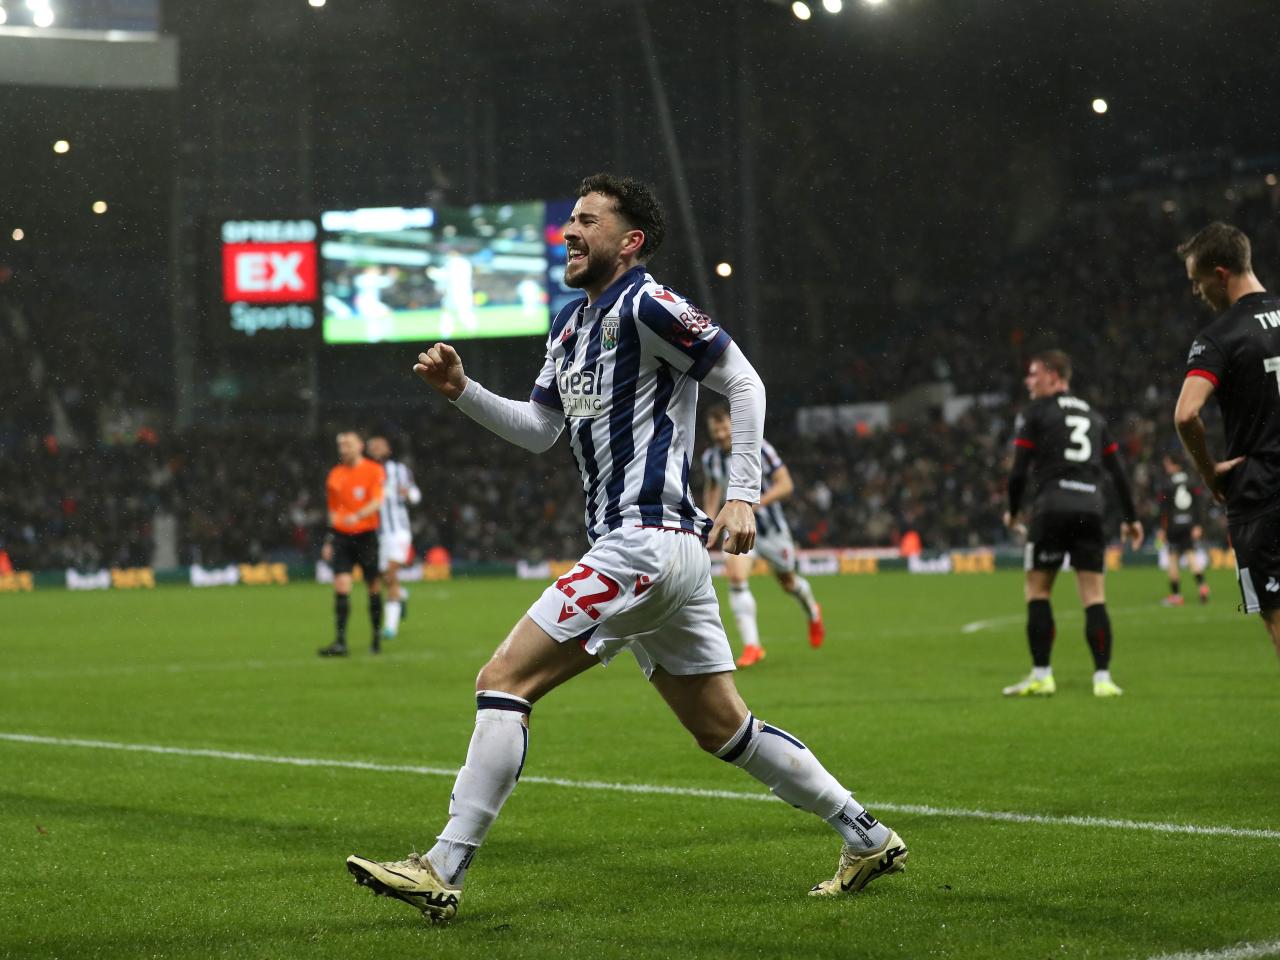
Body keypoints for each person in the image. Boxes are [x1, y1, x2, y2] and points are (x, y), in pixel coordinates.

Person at [345, 174, 906, 923]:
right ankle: (864, 834)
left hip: (643, 544)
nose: (570, 232)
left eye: (586, 220)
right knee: (724, 729)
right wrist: (463, 391)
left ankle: (441, 867)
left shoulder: (648, 302)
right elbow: (541, 429)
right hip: (659, 556)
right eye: (569, 222)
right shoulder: (570, 325)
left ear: (629, 239)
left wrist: (741, 491)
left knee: (504, 680)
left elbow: (743, 381)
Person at [1002, 350, 1143, 698]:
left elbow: (1019, 468)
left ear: (1054, 375)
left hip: (1051, 507)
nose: (1028, 381)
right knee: (1094, 597)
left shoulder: (1035, 413)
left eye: (1034, 374)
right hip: (1090, 510)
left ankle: (1042, 675)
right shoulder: (1094, 417)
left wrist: (1013, 509)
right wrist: (1131, 518)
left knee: (1037, 591)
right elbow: (1118, 472)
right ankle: (1103, 679)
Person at [1174, 221, 1280, 661]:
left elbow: (1186, 414)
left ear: (1220, 274)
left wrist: (1209, 470)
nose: (1198, 294)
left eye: (1198, 283)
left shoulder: (1220, 337)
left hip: (1264, 491)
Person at [701, 403, 824, 667]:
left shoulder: (759, 448)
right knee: (735, 576)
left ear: (733, 424)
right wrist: (710, 522)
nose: (721, 435)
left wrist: (754, 503)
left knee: (788, 583)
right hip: (739, 527)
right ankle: (752, 646)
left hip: (771, 529)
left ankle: (813, 610)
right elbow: (712, 490)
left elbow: (786, 484)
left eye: (724, 428)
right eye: (715, 431)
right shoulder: (710, 458)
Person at [318, 431, 385, 657]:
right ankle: (340, 642)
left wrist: (357, 516)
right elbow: (332, 510)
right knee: (341, 586)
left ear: (359, 446)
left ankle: (376, 638)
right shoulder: (335, 475)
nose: (343, 449)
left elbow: (377, 501)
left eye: (347, 444)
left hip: (366, 536)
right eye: (341, 446)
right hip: (341, 538)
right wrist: (329, 539)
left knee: (373, 587)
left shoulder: (373, 470)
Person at [366, 436, 421, 640]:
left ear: (388, 449)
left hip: (398, 531)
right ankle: (401, 595)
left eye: (379, 445)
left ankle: (390, 628)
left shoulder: (399, 470)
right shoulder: (365, 472)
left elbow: (416, 496)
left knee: (390, 574)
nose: (375, 448)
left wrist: (407, 493)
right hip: (376, 534)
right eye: (372, 445)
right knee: (382, 577)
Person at [1156, 454, 1209, 606]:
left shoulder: (1166, 483)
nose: (1166, 466)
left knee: (1172, 558)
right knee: (1191, 555)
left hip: (1173, 526)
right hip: (1189, 524)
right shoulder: (1191, 479)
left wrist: (1162, 528)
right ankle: (1202, 587)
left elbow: (1163, 508)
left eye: (1167, 463)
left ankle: (1177, 596)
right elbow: (1199, 503)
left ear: (1174, 465)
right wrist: (1198, 524)